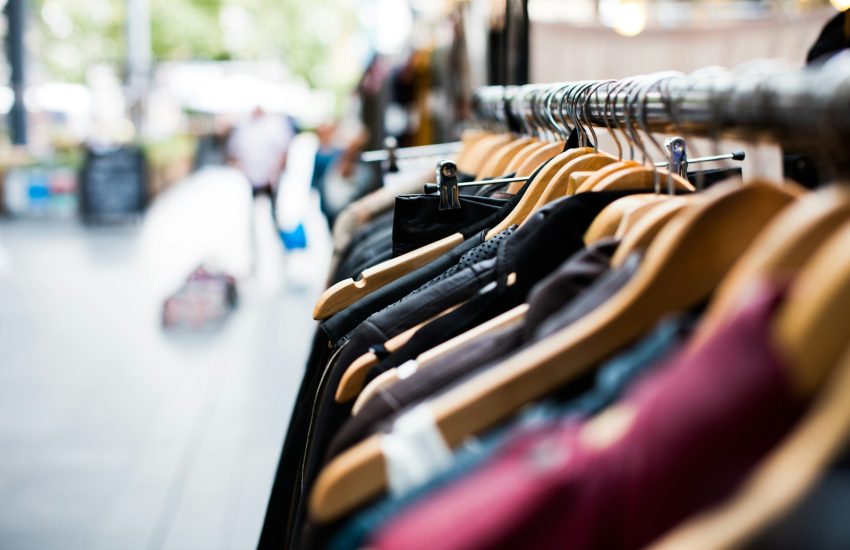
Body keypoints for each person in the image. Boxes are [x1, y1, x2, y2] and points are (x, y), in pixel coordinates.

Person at [227, 105, 294, 272]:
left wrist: (275, 174)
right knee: (252, 218)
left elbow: (283, 152)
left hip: (270, 179)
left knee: (274, 217)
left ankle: (280, 251)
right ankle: (255, 255)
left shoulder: (273, 127)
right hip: (252, 179)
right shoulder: (244, 129)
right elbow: (234, 153)